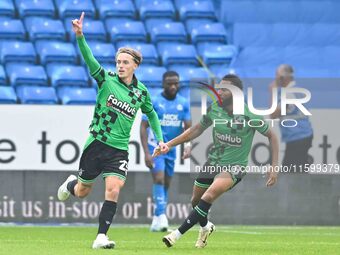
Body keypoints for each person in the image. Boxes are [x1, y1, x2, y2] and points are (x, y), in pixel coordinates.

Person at [57, 12, 166, 249]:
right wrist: (80, 37)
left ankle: (101, 236)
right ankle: (69, 186)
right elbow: (90, 60)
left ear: (135, 65)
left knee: (113, 188)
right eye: (118, 62)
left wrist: (160, 139)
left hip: (118, 150)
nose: (120, 65)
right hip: (96, 144)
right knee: (83, 190)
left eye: (125, 62)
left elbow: (152, 113)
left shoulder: (141, 92)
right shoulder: (106, 79)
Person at [153, 74, 279, 248]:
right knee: (196, 201)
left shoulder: (248, 115)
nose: (219, 92)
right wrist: (169, 144)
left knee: (208, 195)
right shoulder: (215, 108)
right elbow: (196, 130)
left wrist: (274, 168)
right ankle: (205, 227)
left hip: (235, 167)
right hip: (214, 161)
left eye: (224, 89)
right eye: (218, 88)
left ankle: (176, 234)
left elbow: (272, 136)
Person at [140, 71, 191, 232]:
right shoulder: (154, 101)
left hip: (171, 148)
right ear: (163, 84)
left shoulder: (183, 103)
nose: (173, 86)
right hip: (154, 146)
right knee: (159, 179)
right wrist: (146, 153)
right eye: (169, 83)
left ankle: (156, 217)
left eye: (176, 83)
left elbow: (189, 127)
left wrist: (188, 146)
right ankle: (162, 216)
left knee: (166, 183)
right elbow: (143, 127)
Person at [269, 64, 313, 173]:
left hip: (298, 138)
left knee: (290, 174)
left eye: (277, 76)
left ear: (284, 77)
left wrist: (272, 92)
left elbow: (273, 114)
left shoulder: (288, 94)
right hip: (301, 136)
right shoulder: (294, 89)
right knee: (296, 171)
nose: (276, 79)